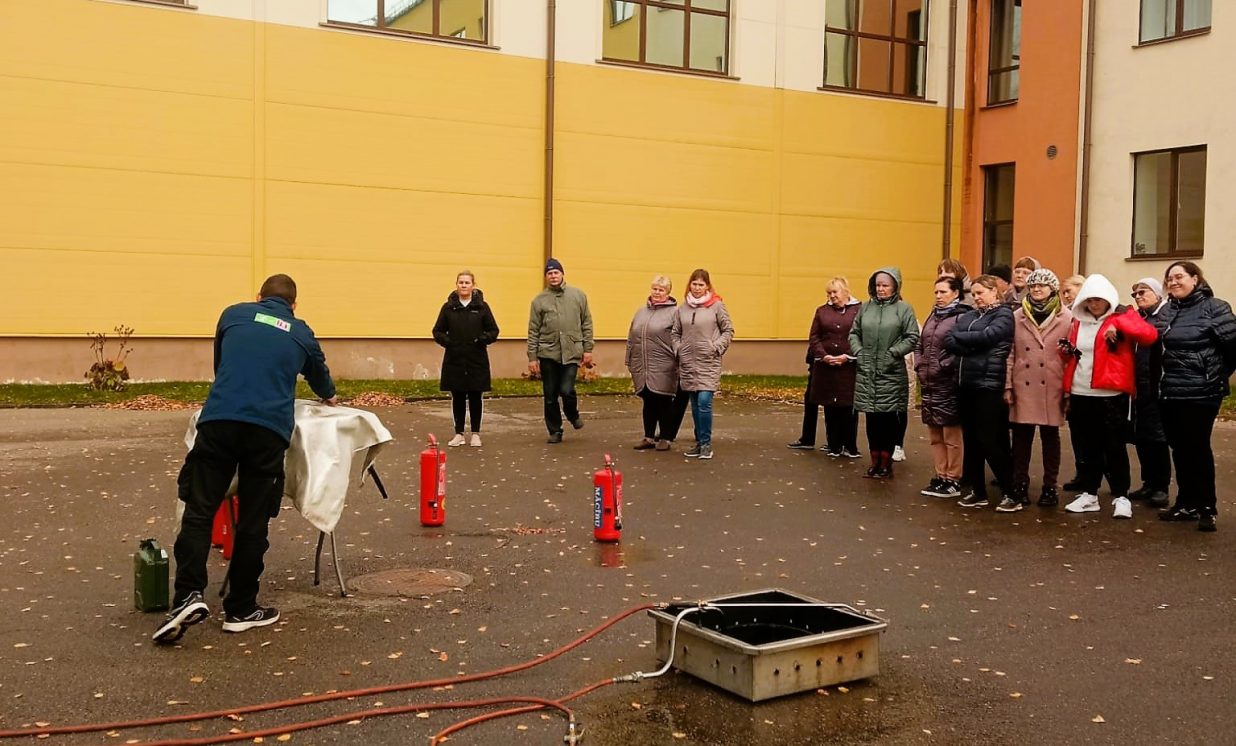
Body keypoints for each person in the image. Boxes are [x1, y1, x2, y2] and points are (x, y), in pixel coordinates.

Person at [155, 274, 337, 644]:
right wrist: (329, 396)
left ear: (258, 297)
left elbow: (222, 365)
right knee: (254, 520)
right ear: (293, 305)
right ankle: (240, 608)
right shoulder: (301, 332)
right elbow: (321, 380)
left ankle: (187, 595)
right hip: (267, 432)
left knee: (199, 509)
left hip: (220, 420)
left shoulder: (233, 315)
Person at [1060, 274, 1158, 518]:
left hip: (1111, 392)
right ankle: (1089, 493)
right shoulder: (1078, 322)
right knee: (1088, 446)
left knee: (1114, 446)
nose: (1094, 304)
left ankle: (1121, 496)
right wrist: (1065, 351)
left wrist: (1120, 324)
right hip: (1081, 389)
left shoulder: (1122, 316)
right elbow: (1074, 354)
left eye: (1099, 299)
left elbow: (1149, 335)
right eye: (1090, 299)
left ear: (1108, 299)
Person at [1156, 261, 1236, 532]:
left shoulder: (1216, 308)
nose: (1173, 282)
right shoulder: (1167, 310)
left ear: (1195, 279)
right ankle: (1185, 504)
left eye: (1179, 277)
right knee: (1180, 448)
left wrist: (1214, 374)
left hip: (1202, 392)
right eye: (1169, 279)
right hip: (1171, 391)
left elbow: (1232, 347)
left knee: (1198, 448)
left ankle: (1206, 508)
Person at [1002, 269, 1072, 511]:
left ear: (1053, 289)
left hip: (1053, 383)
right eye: (1033, 286)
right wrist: (1008, 385)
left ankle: (1050, 487)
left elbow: (1071, 357)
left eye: (1042, 285)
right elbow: (1010, 353)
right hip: (1024, 383)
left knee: (1050, 438)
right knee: (1021, 439)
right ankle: (1019, 484)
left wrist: (1068, 391)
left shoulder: (1067, 317)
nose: (1037, 289)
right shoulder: (1017, 316)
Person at [945, 275, 1014, 508]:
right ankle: (977, 490)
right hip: (965, 383)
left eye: (980, 293)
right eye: (973, 294)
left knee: (990, 440)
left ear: (994, 292)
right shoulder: (970, 315)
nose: (976, 298)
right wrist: (971, 344)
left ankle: (1010, 492)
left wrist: (964, 340)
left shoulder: (1004, 315)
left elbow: (989, 337)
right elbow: (949, 339)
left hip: (988, 384)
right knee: (971, 440)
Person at [849, 267, 919, 478]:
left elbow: (912, 336)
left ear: (895, 287)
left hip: (891, 372)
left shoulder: (903, 309)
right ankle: (874, 461)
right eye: (878, 285)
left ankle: (886, 462)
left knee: (887, 419)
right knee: (872, 419)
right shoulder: (865, 308)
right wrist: (859, 352)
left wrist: (893, 353)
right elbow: (854, 333)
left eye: (885, 285)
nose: (881, 289)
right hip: (867, 371)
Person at [789, 277, 860, 456]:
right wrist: (824, 355)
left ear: (845, 291)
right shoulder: (822, 311)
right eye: (829, 293)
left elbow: (862, 336)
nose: (832, 296)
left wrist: (847, 356)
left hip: (849, 365)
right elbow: (814, 337)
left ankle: (849, 445)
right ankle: (834, 445)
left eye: (835, 292)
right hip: (825, 365)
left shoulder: (859, 310)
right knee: (830, 405)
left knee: (848, 405)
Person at [528, 258, 594, 444]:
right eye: (549, 273)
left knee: (566, 390)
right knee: (550, 396)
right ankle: (555, 430)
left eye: (556, 272)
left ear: (562, 274)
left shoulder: (578, 296)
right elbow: (533, 330)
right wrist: (532, 357)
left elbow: (586, 323)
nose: (553, 276)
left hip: (572, 351)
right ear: (546, 277)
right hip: (548, 352)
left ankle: (572, 414)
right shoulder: (539, 301)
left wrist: (588, 348)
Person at [915, 275, 969, 498]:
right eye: (936, 292)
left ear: (955, 293)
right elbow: (920, 343)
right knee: (935, 434)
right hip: (929, 383)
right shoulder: (933, 315)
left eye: (943, 292)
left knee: (951, 435)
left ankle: (953, 478)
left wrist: (944, 365)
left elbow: (963, 348)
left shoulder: (962, 317)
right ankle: (940, 475)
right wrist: (919, 364)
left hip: (948, 383)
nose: (938, 296)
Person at [673, 269, 735, 460]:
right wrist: (679, 349)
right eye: (694, 284)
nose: (697, 288)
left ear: (707, 286)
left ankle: (706, 444)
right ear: (689, 285)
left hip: (708, 362)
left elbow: (728, 330)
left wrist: (715, 347)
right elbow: (675, 332)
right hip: (688, 363)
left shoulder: (716, 306)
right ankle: (700, 442)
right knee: (694, 405)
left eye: (701, 284)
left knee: (704, 402)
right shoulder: (683, 309)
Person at [433, 270, 499, 447]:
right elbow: (437, 331)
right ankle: (459, 433)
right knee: (458, 397)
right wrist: (449, 342)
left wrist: (481, 340)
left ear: (473, 285)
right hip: (455, 359)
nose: (463, 285)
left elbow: (493, 331)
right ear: (456, 285)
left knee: (476, 396)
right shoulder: (448, 308)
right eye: (461, 282)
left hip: (476, 359)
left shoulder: (482, 307)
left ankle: (476, 434)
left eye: (467, 282)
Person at [626, 275, 689, 451]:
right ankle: (648, 437)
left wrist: (680, 359)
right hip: (643, 364)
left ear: (668, 293)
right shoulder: (641, 312)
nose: (657, 292)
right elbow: (631, 337)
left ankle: (666, 437)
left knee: (663, 400)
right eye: (655, 289)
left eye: (661, 290)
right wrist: (629, 359)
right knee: (648, 400)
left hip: (665, 364)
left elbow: (680, 337)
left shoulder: (675, 313)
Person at [1128, 278, 1171, 508]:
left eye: (1143, 292)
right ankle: (1148, 483)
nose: (1138, 297)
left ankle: (1161, 487)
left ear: (1156, 293)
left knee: (1157, 437)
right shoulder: (1139, 317)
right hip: (1138, 386)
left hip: (1157, 385)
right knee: (1142, 436)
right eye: (1135, 294)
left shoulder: (1166, 315)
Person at [1059, 273, 1087, 489]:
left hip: (1090, 380)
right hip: (1073, 379)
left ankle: (1102, 476)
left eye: (1069, 291)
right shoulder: (1071, 316)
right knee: (1077, 431)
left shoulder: (1092, 314)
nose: (1066, 296)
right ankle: (1082, 473)